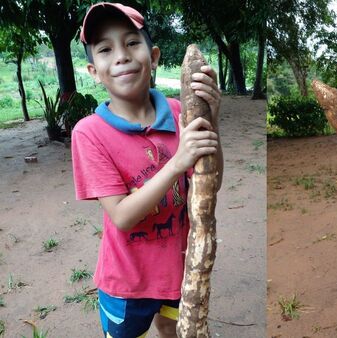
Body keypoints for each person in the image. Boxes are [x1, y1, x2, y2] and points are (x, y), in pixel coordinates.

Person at [71, 3, 223, 338]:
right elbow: (122, 216)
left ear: (153, 57)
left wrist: (213, 118)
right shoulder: (89, 132)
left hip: (180, 270)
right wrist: (177, 163)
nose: (121, 56)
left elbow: (210, 184)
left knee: (174, 329)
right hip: (126, 283)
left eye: (132, 43)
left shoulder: (178, 111)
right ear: (93, 70)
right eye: (105, 49)